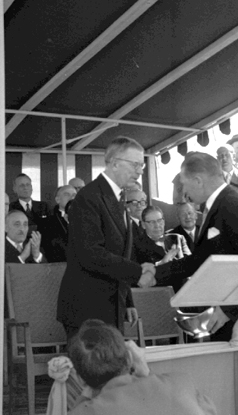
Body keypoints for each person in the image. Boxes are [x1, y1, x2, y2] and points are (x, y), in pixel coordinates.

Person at [150, 152, 238, 341]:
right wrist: (155, 273)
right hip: (233, 317)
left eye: (184, 184)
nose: (184, 192)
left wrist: (228, 311)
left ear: (198, 181)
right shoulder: (219, 205)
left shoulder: (232, 205)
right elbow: (200, 260)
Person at [57, 136, 154, 338]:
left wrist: (127, 300)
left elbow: (121, 253)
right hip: (87, 309)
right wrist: (138, 272)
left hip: (112, 306)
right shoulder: (88, 197)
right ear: (115, 163)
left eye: (142, 165)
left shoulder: (118, 197)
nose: (140, 171)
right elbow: (91, 253)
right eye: (135, 164)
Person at [67, 319, 217, 415]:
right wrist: (146, 372)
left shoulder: (85, 411)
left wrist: (86, 387)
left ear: (80, 379)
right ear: (130, 358)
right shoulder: (181, 384)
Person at [0, 210, 47, 292]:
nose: (22, 229)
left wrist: (37, 255)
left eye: (25, 224)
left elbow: (47, 277)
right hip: (9, 297)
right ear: (6, 228)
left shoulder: (34, 246)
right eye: (17, 224)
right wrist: (22, 257)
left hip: (35, 295)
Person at [42, 185, 77, 262]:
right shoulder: (46, 223)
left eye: (74, 195)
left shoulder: (87, 219)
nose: (72, 198)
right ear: (58, 200)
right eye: (67, 194)